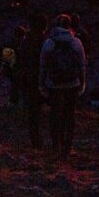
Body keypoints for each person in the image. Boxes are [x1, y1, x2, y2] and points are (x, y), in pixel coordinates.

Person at [39, 14, 86, 156]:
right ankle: (67, 145)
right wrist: (82, 83)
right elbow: (82, 65)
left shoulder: (49, 42)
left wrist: (42, 84)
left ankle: (56, 144)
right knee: (69, 115)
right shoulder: (76, 42)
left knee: (55, 114)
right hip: (72, 83)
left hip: (54, 84)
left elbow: (43, 65)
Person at [19, 13, 48, 148]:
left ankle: (36, 140)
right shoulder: (46, 41)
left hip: (29, 79)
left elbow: (22, 59)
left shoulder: (26, 40)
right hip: (45, 79)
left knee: (33, 111)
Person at [3, 25, 26, 106]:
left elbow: (6, 61)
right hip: (16, 70)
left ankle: (15, 102)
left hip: (16, 70)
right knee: (16, 87)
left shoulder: (10, 46)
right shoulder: (23, 46)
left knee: (15, 87)